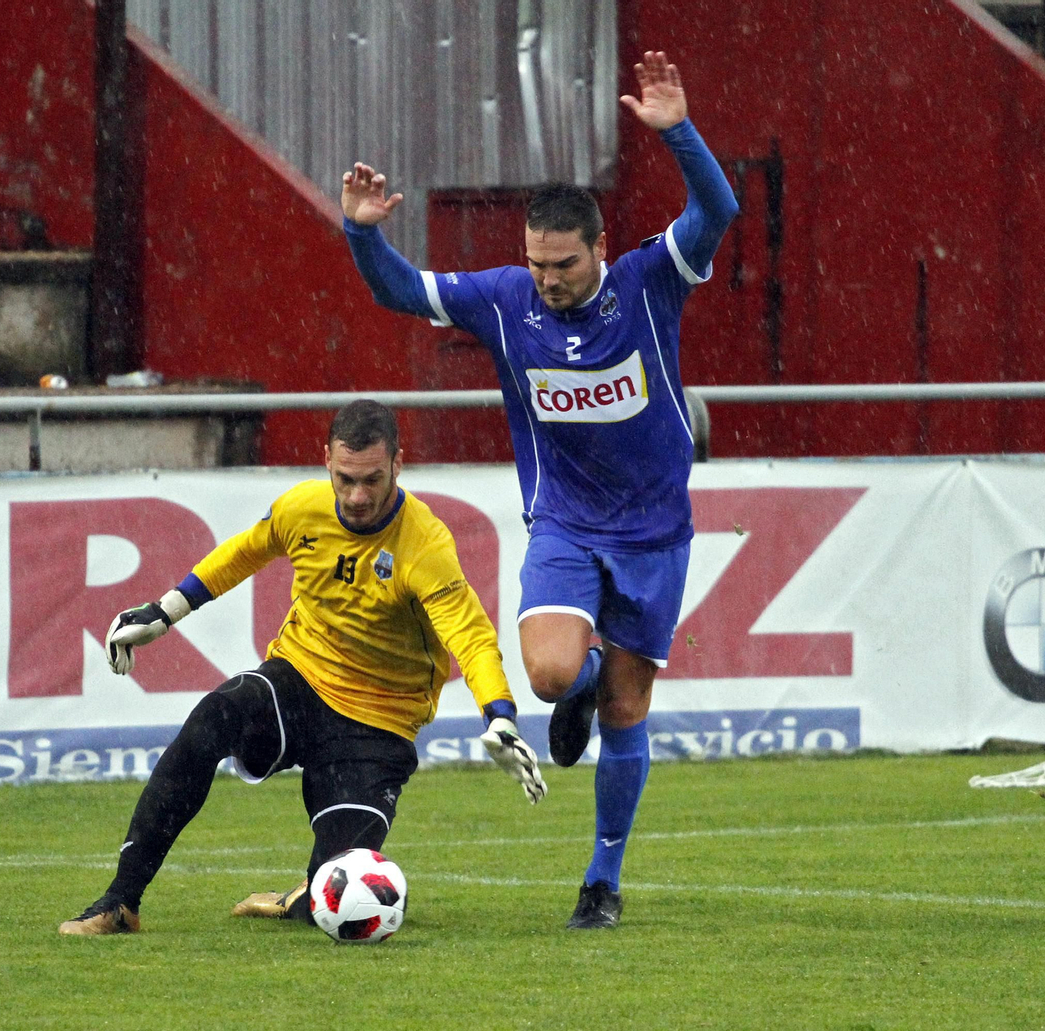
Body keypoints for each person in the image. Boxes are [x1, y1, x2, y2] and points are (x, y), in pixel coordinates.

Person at [336, 50, 738, 928]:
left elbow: (717, 210)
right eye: (536, 263)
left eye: (562, 263)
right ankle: (583, 675)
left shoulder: (650, 280)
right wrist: (364, 230)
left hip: (657, 532)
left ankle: (602, 880)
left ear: (599, 248)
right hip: (564, 522)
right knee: (553, 677)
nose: (547, 279)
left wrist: (679, 133)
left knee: (629, 707)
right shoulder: (504, 299)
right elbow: (401, 290)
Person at [58, 400, 545, 935]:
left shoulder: (425, 544)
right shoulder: (302, 508)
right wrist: (166, 611)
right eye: (345, 479)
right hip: (301, 680)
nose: (357, 496)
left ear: (398, 467)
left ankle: (302, 897)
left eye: (372, 481)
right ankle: (120, 902)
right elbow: (245, 551)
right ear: (327, 463)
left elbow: (471, 637)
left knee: (336, 897)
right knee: (211, 720)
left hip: (379, 723)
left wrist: (499, 716)